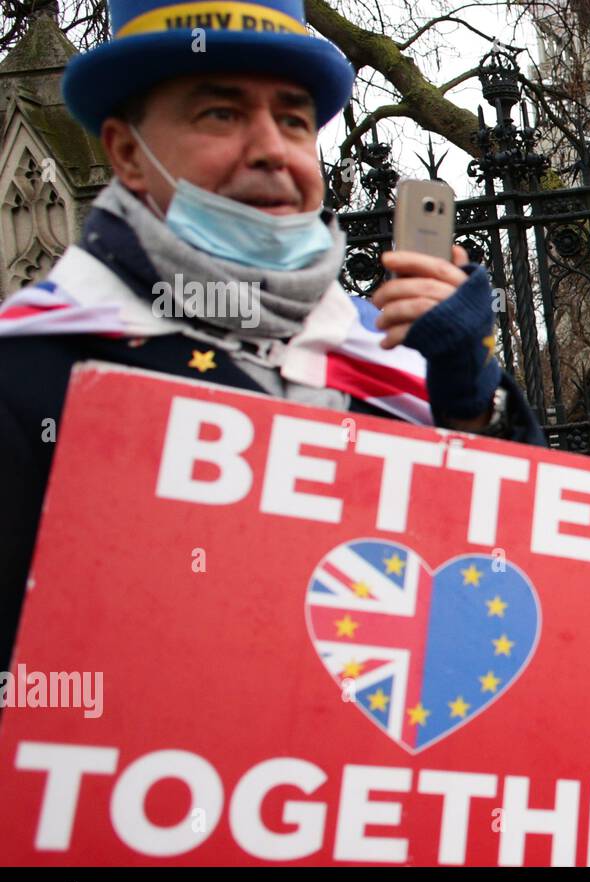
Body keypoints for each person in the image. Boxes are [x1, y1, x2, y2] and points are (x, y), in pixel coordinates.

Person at [0, 0, 544, 666]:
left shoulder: (392, 363)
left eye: (292, 120)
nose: (271, 151)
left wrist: (474, 413)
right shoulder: (29, 372)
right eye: (220, 114)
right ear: (126, 153)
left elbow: (507, 616)